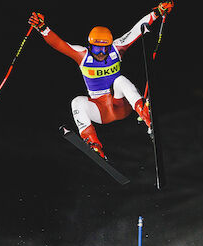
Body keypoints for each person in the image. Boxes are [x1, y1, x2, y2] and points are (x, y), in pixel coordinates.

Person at [27, 2, 174, 159]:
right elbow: (59, 44)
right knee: (77, 102)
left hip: (120, 105)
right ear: (90, 46)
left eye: (105, 48)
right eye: (97, 49)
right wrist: (42, 28)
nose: (101, 53)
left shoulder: (117, 49)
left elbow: (135, 31)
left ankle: (147, 117)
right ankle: (94, 145)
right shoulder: (82, 55)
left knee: (120, 80)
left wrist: (157, 12)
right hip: (100, 111)